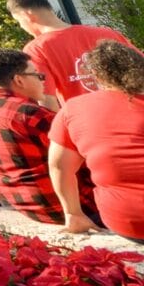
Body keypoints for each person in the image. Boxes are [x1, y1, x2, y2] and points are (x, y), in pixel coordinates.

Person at [0, 47, 78, 226]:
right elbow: (81, 161)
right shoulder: (30, 114)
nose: (43, 82)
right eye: (38, 76)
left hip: (14, 203)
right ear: (19, 80)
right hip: (55, 207)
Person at [50, 41, 144, 239]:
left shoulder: (73, 109)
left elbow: (59, 166)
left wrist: (73, 213)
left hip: (127, 222)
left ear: (97, 77)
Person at [9, 0, 136, 104]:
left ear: (27, 15)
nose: (21, 26)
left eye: (19, 21)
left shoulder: (36, 49)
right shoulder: (108, 34)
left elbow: (47, 100)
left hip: (87, 124)